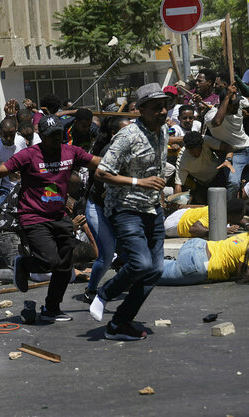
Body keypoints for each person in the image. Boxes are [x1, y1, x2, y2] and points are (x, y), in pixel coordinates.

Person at [0, 114, 100, 322]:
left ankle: (51, 309)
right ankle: (25, 264)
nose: (56, 139)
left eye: (59, 134)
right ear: (42, 137)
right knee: (50, 260)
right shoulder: (29, 155)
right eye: (51, 136)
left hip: (59, 216)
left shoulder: (70, 152)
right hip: (33, 216)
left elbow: (98, 163)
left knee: (65, 266)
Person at [91, 83, 171, 341]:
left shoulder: (163, 132)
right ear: (140, 109)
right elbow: (101, 172)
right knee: (141, 263)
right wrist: (139, 183)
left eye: (165, 106)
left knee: (155, 270)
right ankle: (104, 293)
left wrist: (158, 193)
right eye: (156, 107)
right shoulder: (127, 136)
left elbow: (155, 170)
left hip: (152, 210)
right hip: (126, 209)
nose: (163, 111)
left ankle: (119, 324)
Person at [83, 116, 131, 303]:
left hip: (116, 209)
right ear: (114, 134)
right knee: (107, 254)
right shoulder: (108, 153)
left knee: (132, 246)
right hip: (98, 209)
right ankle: (91, 290)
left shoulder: (130, 149)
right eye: (126, 131)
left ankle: (121, 269)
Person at [205, 84, 249, 198]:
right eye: (233, 105)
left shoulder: (239, 104)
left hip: (247, 145)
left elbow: (246, 101)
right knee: (234, 183)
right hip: (234, 154)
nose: (236, 107)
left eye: (237, 104)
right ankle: (229, 212)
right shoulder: (211, 115)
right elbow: (217, 122)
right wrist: (227, 97)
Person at [159, 231, 249, 286]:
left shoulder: (246, 235)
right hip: (198, 264)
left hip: (197, 244)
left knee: (156, 265)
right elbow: (242, 273)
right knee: (149, 274)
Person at [174, 132, 232, 204]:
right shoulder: (182, 160)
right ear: (186, 148)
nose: (196, 154)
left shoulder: (205, 140)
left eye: (199, 152)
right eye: (193, 153)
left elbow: (227, 147)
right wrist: (177, 202)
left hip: (219, 175)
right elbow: (178, 185)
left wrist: (228, 160)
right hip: (203, 185)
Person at [164, 200, 245, 238]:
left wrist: (246, 224)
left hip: (185, 213)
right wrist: (219, 232)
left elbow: (240, 219)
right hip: (173, 225)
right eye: (242, 214)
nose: (243, 217)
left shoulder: (222, 210)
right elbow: (194, 229)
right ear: (233, 215)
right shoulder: (213, 216)